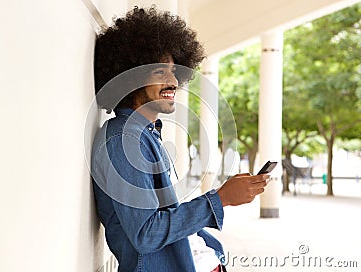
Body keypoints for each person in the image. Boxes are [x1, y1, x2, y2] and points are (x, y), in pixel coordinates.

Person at [91, 6, 269, 272]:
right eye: (160, 72)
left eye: (175, 71)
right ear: (131, 78)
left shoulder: (146, 135)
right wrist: (220, 199)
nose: (173, 81)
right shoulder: (122, 139)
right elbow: (146, 233)